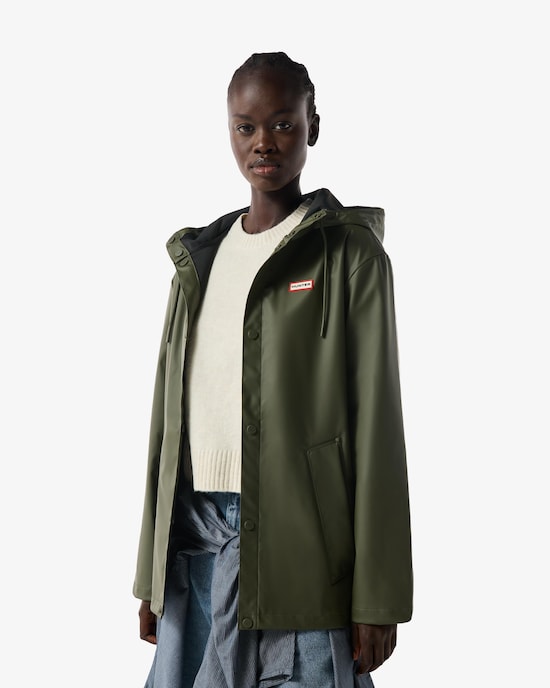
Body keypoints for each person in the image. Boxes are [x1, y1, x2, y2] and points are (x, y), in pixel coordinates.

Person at [134, 52, 413, 688]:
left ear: (313, 126)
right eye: (246, 127)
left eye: (283, 124)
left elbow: (378, 427)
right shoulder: (198, 261)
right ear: (229, 131)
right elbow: (166, 427)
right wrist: (150, 572)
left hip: (302, 549)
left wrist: (380, 597)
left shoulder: (349, 256)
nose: (264, 142)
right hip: (198, 539)